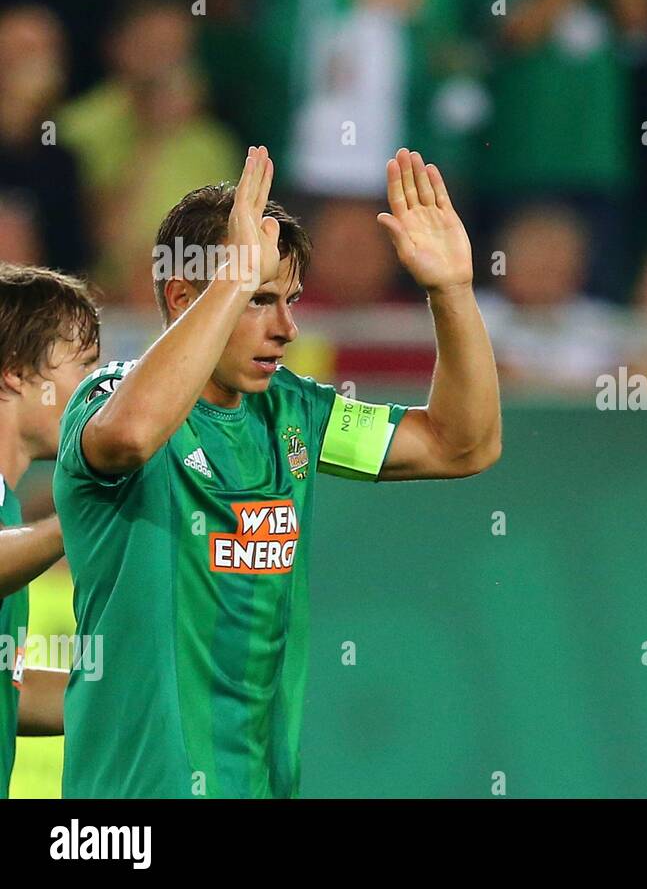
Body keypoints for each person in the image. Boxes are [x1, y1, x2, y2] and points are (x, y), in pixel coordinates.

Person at [53, 146, 501, 798]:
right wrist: (231, 280)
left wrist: (452, 292)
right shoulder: (107, 400)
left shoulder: (295, 413)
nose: (287, 326)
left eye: (288, 299)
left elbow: (461, 445)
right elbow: (129, 436)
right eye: (261, 299)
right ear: (183, 296)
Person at [0, 263, 101, 797]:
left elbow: (9, 691)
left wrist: (132, 699)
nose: (95, 392)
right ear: (15, 371)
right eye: (83, 367)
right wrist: (82, 516)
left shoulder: (8, 508)